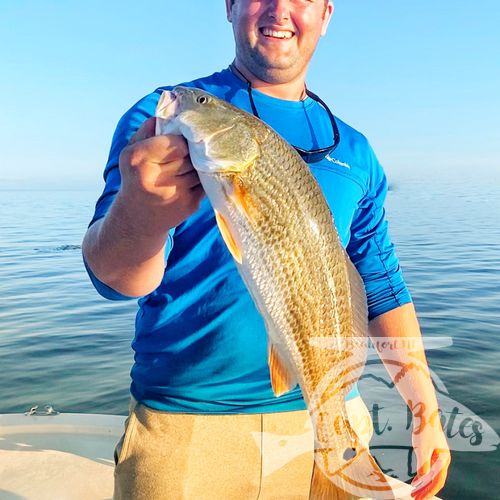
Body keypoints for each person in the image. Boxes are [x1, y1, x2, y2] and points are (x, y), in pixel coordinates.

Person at [82, 1, 450, 499]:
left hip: (334, 410)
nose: (279, 9)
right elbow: (114, 281)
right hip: (187, 426)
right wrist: (139, 213)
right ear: (231, 7)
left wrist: (424, 408)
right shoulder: (161, 118)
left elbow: (382, 286)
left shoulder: (356, 151)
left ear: (325, 14)